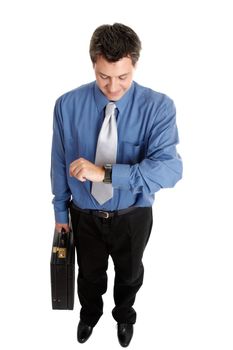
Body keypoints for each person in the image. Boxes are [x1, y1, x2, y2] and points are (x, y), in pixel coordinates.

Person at [51, 23, 182, 347]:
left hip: (133, 215)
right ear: (93, 64)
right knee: (89, 275)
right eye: (103, 76)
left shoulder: (158, 107)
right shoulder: (67, 105)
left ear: (134, 64)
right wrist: (60, 215)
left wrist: (105, 174)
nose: (112, 87)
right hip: (83, 214)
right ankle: (89, 315)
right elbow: (58, 161)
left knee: (130, 274)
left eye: (122, 77)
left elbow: (170, 171)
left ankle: (124, 316)